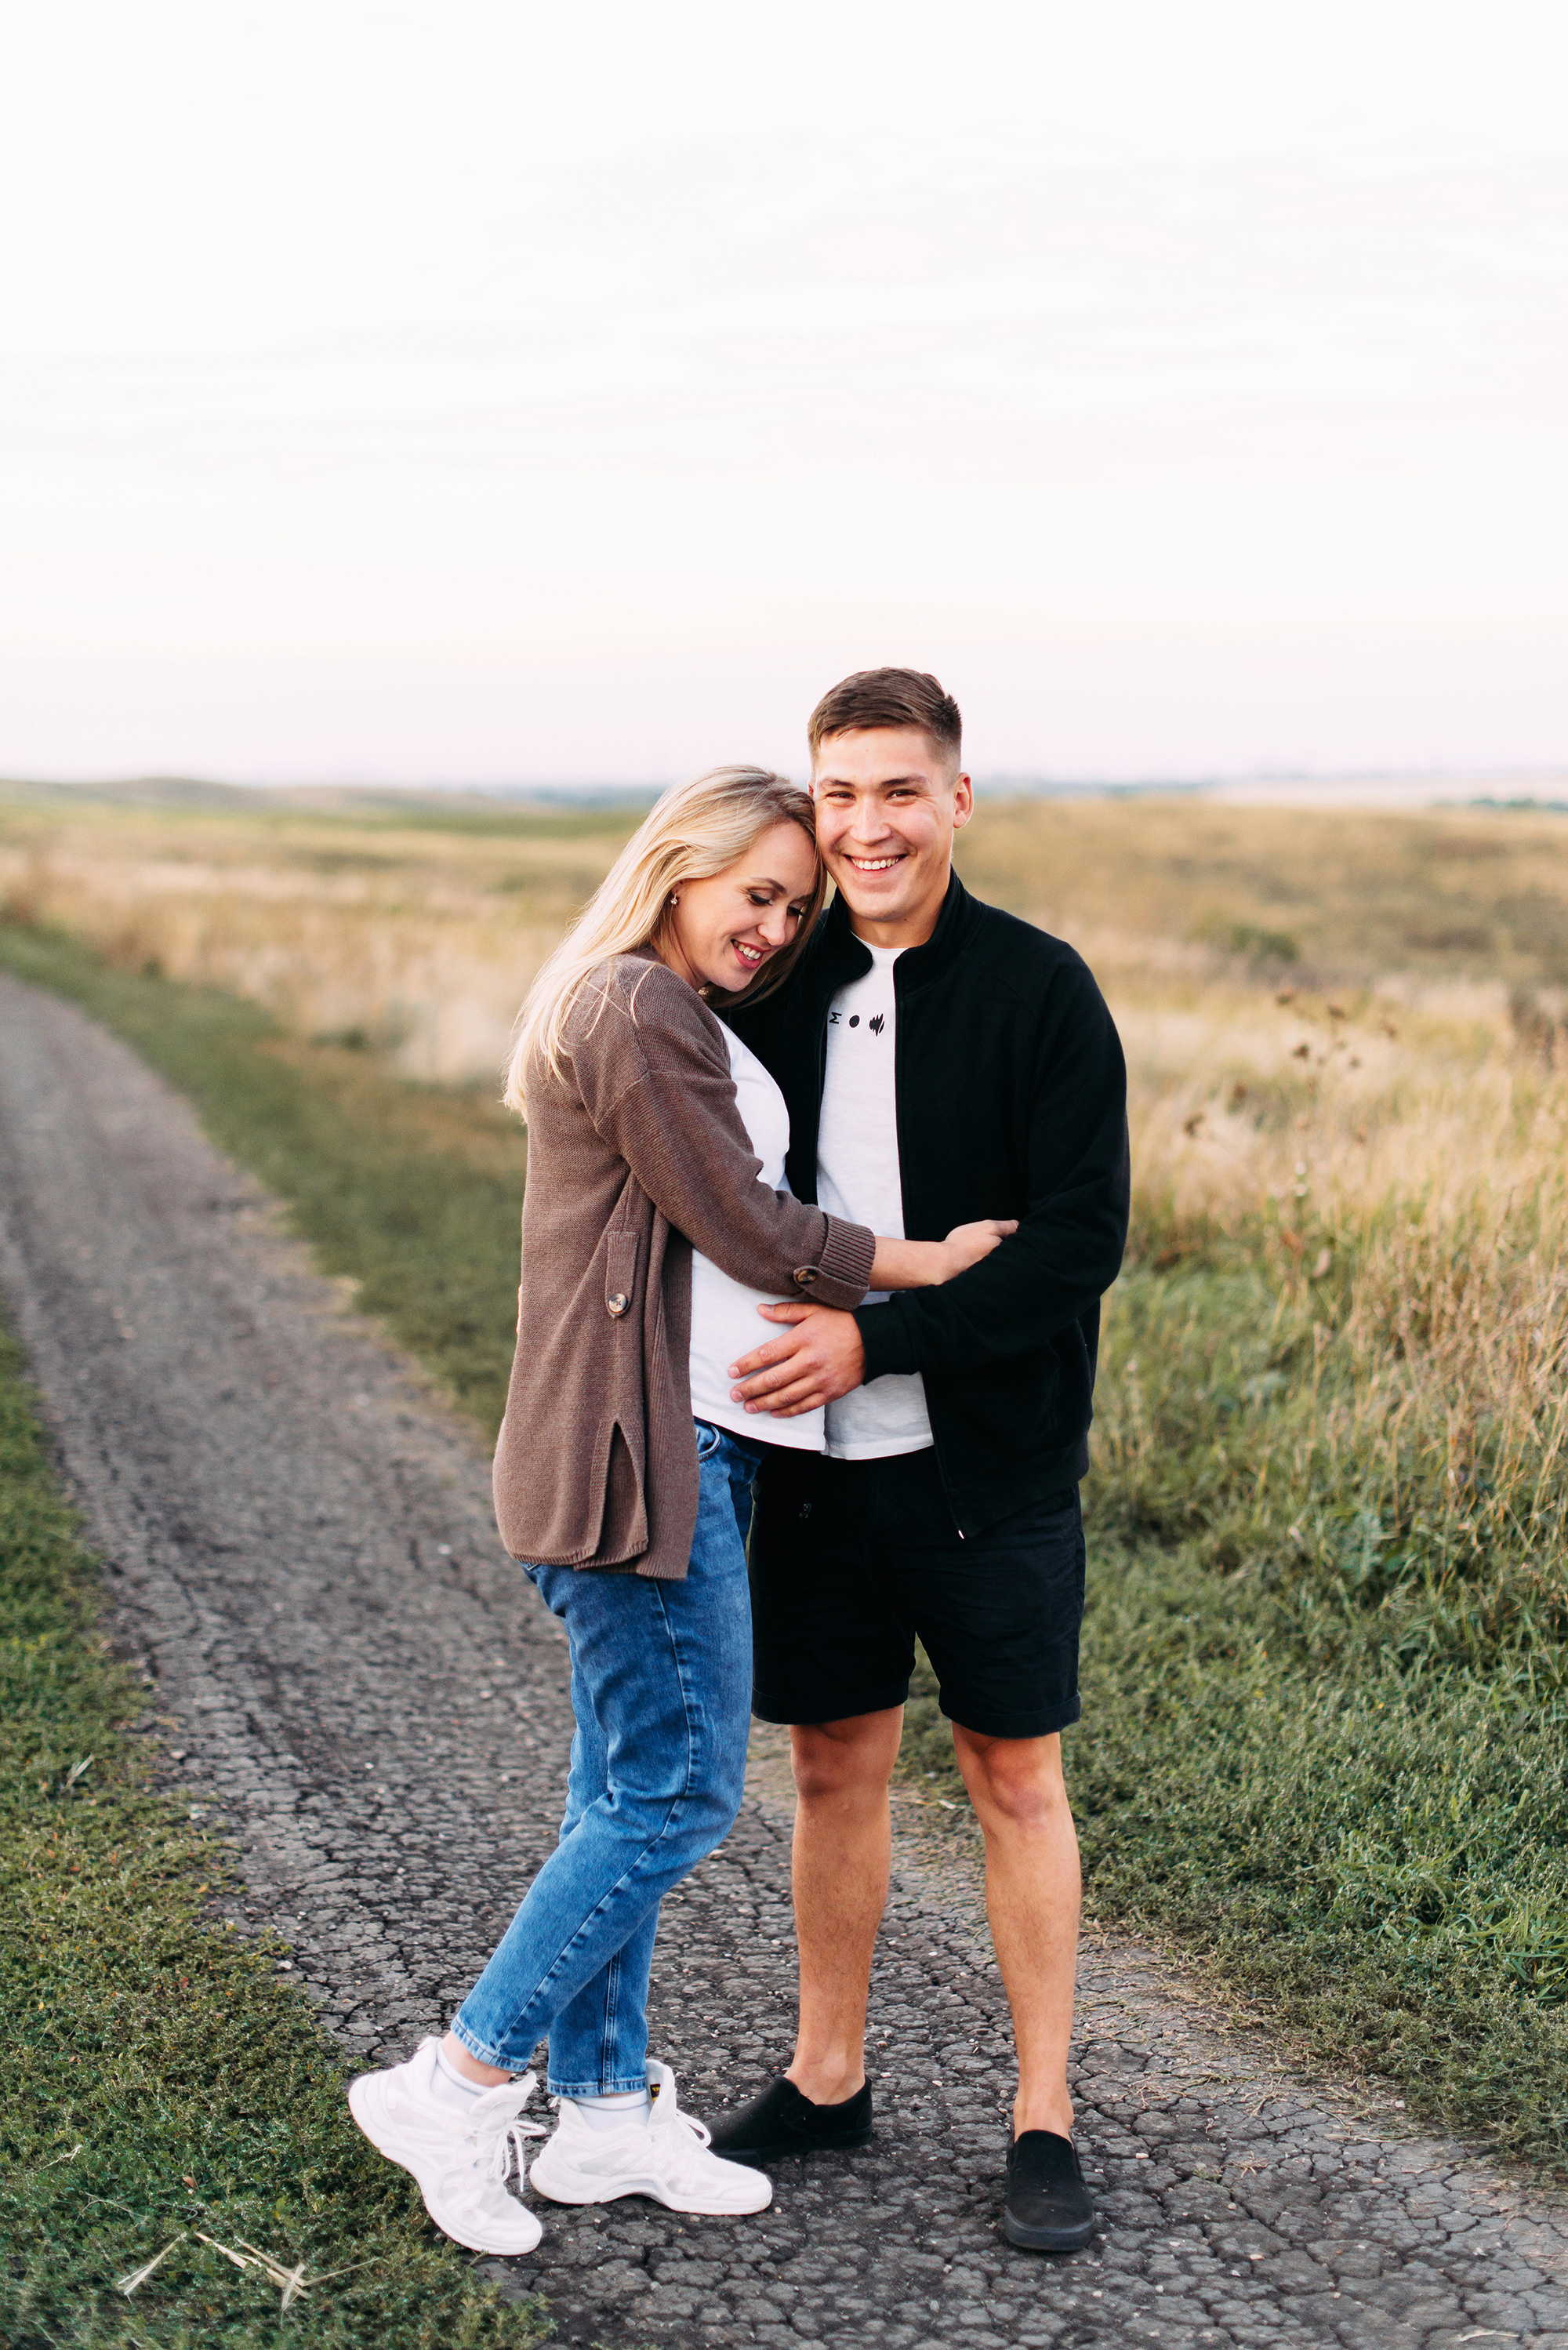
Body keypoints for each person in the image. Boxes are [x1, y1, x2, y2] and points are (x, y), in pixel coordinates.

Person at [347, 764, 1014, 2257]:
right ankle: (458, 2081)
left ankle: (595, 2118)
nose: (775, 925)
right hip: (645, 1468)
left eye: (794, 904)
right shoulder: (635, 1009)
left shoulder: (671, 1012)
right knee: (681, 1793)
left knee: (623, 1788)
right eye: (754, 891)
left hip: (692, 1450)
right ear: (678, 867)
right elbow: (749, 1223)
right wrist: (928, 1263)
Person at [708, 674, 1130, 2254]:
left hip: (989, 1464)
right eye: (841, 795)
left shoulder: (1040, 989)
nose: (868, 824)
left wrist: (874, 1341)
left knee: (1013, 1775)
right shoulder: (773, 981)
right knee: (831, 1761)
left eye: (899, 790)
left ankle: (1042, 2113)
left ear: (957, 798)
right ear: (813, 811)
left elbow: (1077, 1242)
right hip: (808, 1462)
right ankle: (829, 2076)